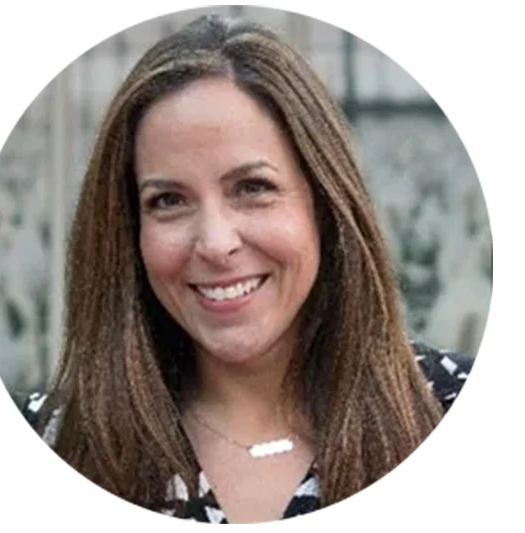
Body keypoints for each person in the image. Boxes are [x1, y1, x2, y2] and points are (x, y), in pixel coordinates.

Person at [25, 13, 474, 524]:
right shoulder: (52, 444)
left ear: (325, 205)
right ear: (130, 230)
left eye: (253, 188)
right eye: (168, 200)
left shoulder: (453, 410)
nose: (216, 244)